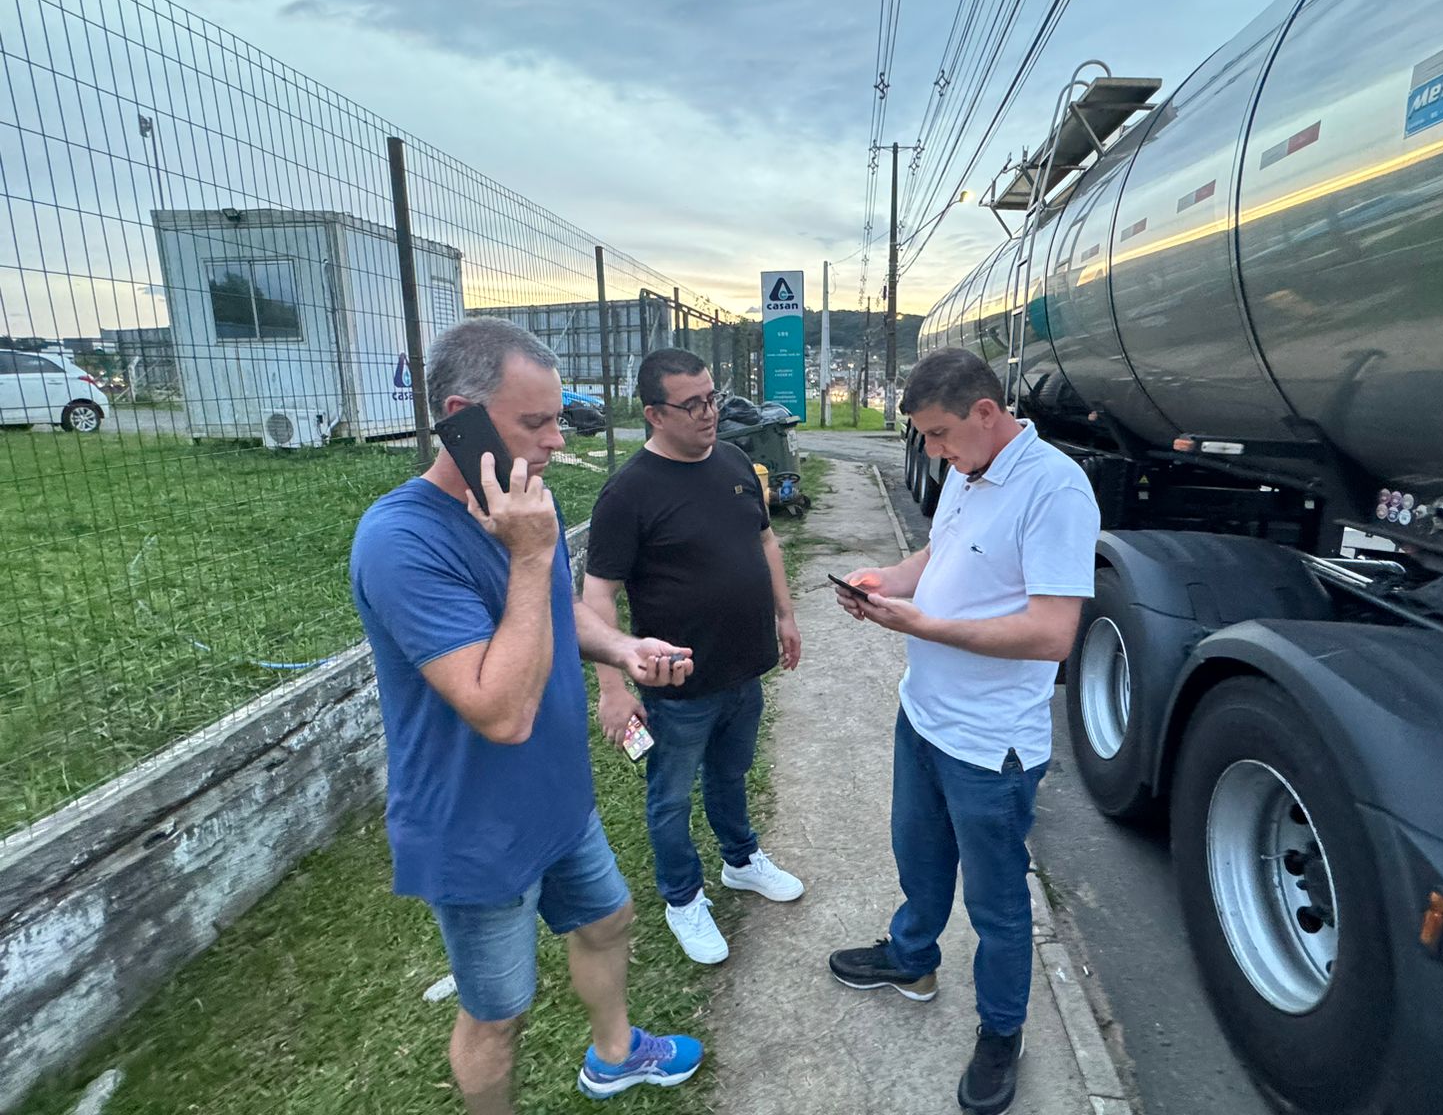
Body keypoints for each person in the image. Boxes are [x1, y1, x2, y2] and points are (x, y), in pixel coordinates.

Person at [349, 319, 703, 1113]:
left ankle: (615, 1054)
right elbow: (501, 713)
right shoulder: (401, 540)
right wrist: (533, 551)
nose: (555, 441)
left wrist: (622, 647)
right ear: (461, 417)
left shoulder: (518, 503)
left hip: (556, 797)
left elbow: (552, 611)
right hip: (474, 826)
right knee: (498, 1014)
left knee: (609, 920)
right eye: (535, 422)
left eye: (558, 419)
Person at [826, 347, 1099, 1115]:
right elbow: (940, 552)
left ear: (986, 411)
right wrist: (886, 583)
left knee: (997, 904)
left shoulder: (1055, 490)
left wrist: (925, 625)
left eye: (941, 433)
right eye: (926, 438)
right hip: (924, 716)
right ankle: (913, 958)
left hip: (990, 746)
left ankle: (1002, 1032)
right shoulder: (967, 469)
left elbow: (1051, 634)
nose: (935, 451)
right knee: (917, 858)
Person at [582, 348, 804, 965]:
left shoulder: (733, 461)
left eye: (713, 397)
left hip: (744, 668)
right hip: (677, 685)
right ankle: (682, 898)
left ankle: (741, 860)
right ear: (654, 414)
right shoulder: (628, 492)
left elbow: (765, 540)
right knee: (672, 796)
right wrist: (612, 688)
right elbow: (598, 594)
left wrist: (785, 614)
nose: (710, 413)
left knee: (731, 774)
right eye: (693, 405)